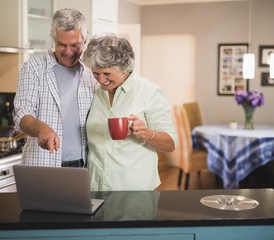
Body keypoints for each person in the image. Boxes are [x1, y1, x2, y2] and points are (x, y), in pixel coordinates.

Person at [82, 33, 178, 191]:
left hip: (134, 190)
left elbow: (170, 144)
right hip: (94, 187)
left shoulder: (149, 92)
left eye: (107, 74)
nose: (100, 80)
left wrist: (146, 133)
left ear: (124, 69)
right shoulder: (93, 92)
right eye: (95, 73)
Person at [13, 8, 96, 168]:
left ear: (85, 40)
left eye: (75, 45)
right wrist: (40, 129)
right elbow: (22, 114)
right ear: (53, 39)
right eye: (61, 45)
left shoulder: (92, 72)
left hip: (84, 164)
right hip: (43, 164)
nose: (68, 51)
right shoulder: (32, 68)